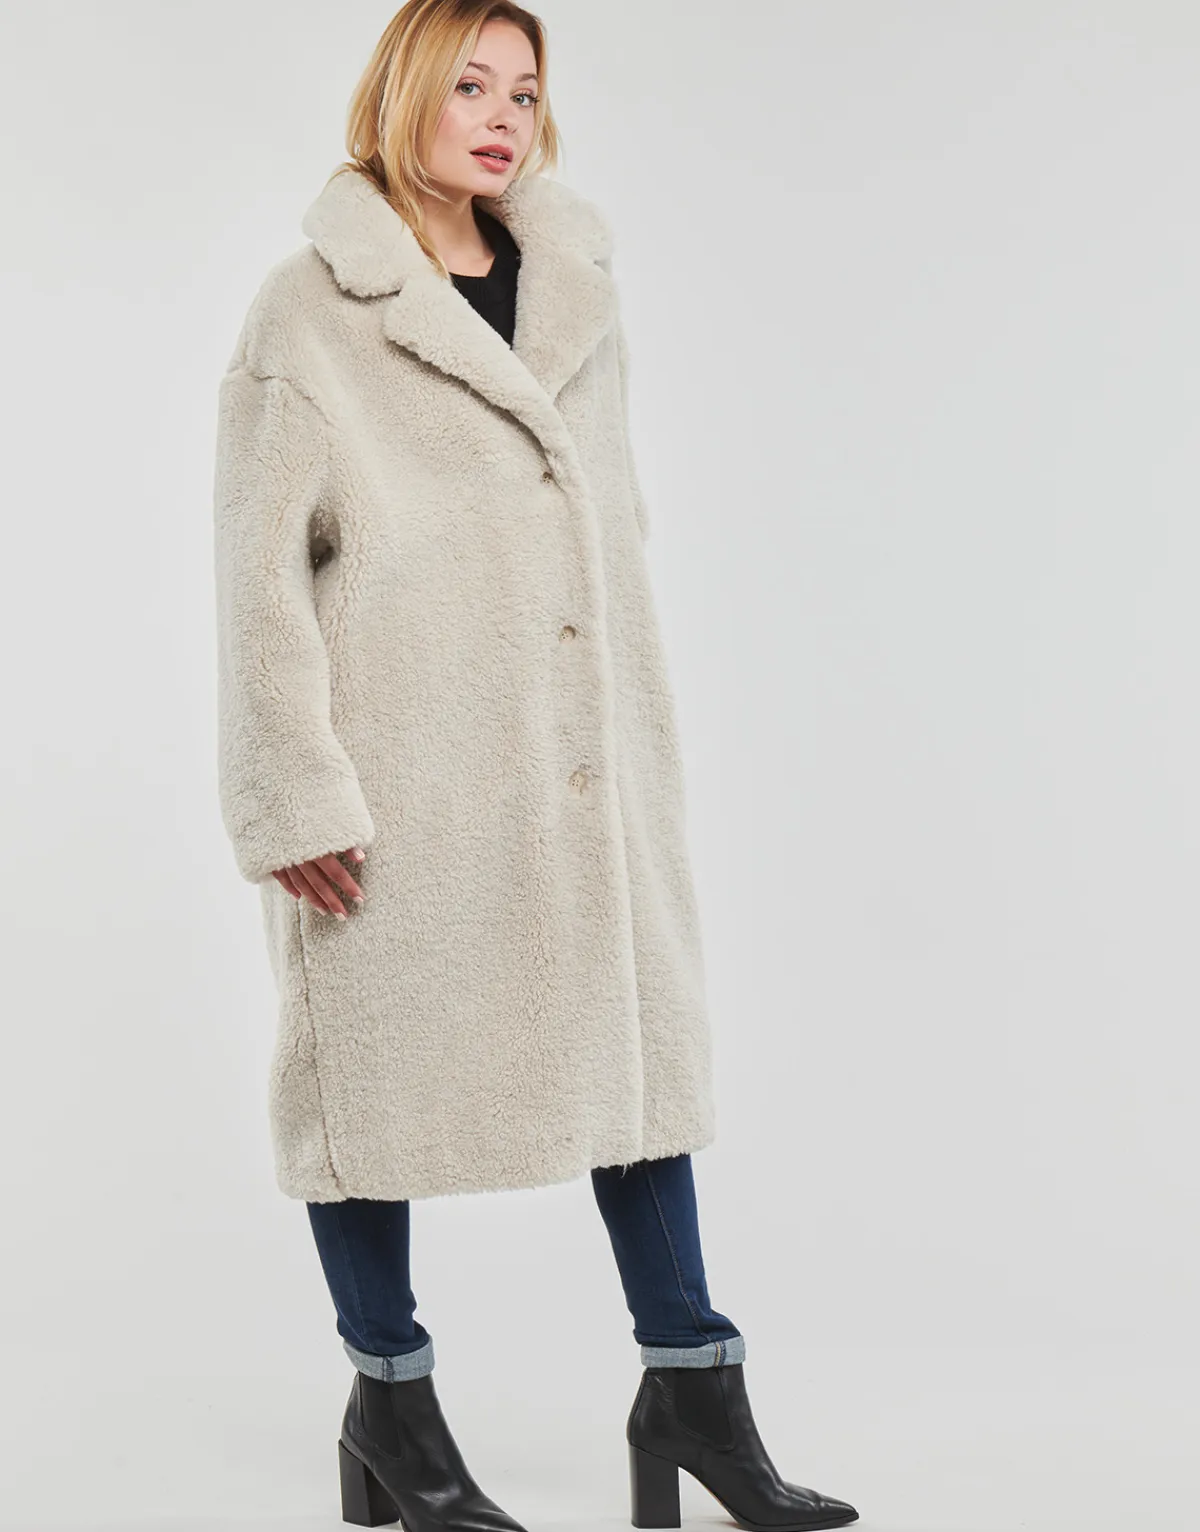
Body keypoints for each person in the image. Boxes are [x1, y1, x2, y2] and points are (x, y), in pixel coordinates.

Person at [212, 2, 859, 1528]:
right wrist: (291, 791)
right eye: (471, 86)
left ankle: (691, 1385)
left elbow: (611, 528)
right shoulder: (309, 311)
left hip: (584, 761)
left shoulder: (576, 289)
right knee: (363, 1088)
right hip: (403, 770)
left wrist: (625, 735)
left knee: (637, 1068)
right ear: (405, 94)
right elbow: (256, 579)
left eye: (524, 90)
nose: (502, 117)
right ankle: (392, 1409)